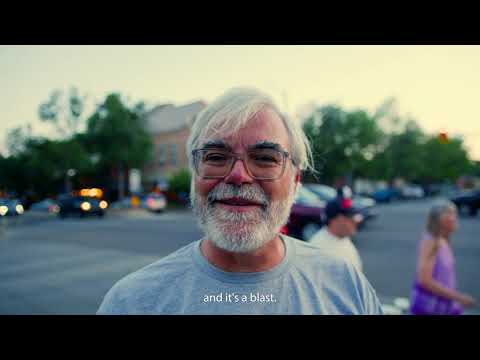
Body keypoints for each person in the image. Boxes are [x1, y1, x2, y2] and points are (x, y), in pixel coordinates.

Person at [97, 87, 383, 315]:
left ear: (295, 180)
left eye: (264, 159)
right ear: (194, 174)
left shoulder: (346, 285)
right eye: (216, 157)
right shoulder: (132, 302)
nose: (238, 176)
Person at [410, 200, 476, 315]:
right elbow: (424, 280)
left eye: (454, 213)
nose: (454, 218)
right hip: (430, 306)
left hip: (443, 304)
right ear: (438, 219)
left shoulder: (443, 240)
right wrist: (459, 297)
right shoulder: (431, 242)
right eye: (450, 214)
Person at [309, 196, 363, 272]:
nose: (355, 221)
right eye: (350, 217)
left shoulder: (343, 238)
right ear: (336, 220)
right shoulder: (319, 247)